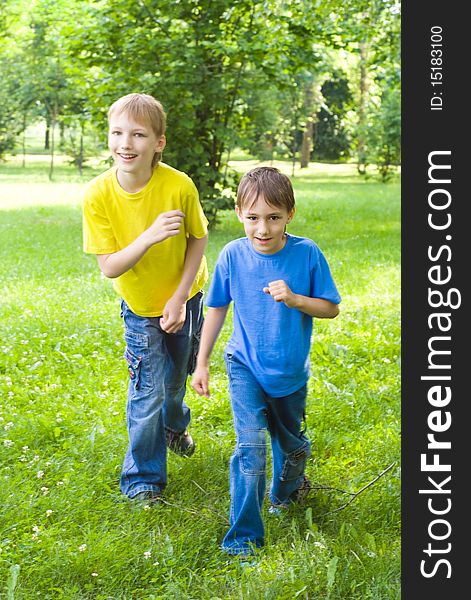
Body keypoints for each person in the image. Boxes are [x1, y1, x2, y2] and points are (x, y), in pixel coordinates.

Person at [191, 166, 341, 556]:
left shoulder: (306, 254)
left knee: (292, 448)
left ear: (289, 214)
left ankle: (286, 492)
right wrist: (201, 362)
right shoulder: (232, 255)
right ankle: (243, 540)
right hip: (245, 365)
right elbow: (217, 308)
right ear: (239, 213)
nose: (262, 228)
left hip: (290, 373)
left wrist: (295, 299)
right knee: (252, 448)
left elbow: (330, 309)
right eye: (253, 217)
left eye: (273, 217)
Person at [82, 93, 208, 503]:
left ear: (159, 142)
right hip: (139, 308)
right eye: (117, 133)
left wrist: (178, 296)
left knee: (174, 384)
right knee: (148, 389)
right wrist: (150, 235)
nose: (125, 143)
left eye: (138, 134)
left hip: (185, 299)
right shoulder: (98, 194)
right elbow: (110, 267)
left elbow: (198, 237)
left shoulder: (178, 185)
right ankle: (143, 479)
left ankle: (174, 425)